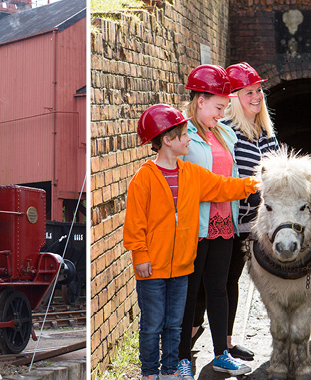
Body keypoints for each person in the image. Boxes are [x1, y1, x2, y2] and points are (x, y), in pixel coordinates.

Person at [124, 103, 258, 380]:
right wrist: (140, 257)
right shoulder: (143, 179)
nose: (189, 139)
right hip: (152, 269)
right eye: (184, 135)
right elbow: (135, 224)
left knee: (174, 324)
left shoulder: (192, 174)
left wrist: (254, 184)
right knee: (152, 325)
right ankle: (150, 373)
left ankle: (171, 370)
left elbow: (223, 186)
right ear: (167, 141)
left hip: (182, 267)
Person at [175, 65, 251, 379]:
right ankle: (181, 359)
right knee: (189, 293)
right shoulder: (181, 135)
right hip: (194, 226)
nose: (222, 113)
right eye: (218, 107)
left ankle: (222, 354)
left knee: (218, 290)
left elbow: (231, 176)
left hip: (223, 223)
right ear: (200, 100)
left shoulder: (224, 133)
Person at [223, 62, 279, 361]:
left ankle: (227, 343)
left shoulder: (266, 132)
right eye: (248, 92)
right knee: (215, 284)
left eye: (258, 90)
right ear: (233, 97)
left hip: (252, 224)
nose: (257, 96)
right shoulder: (229, 132)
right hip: (227, 221)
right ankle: (186, 344)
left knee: (232, 281)